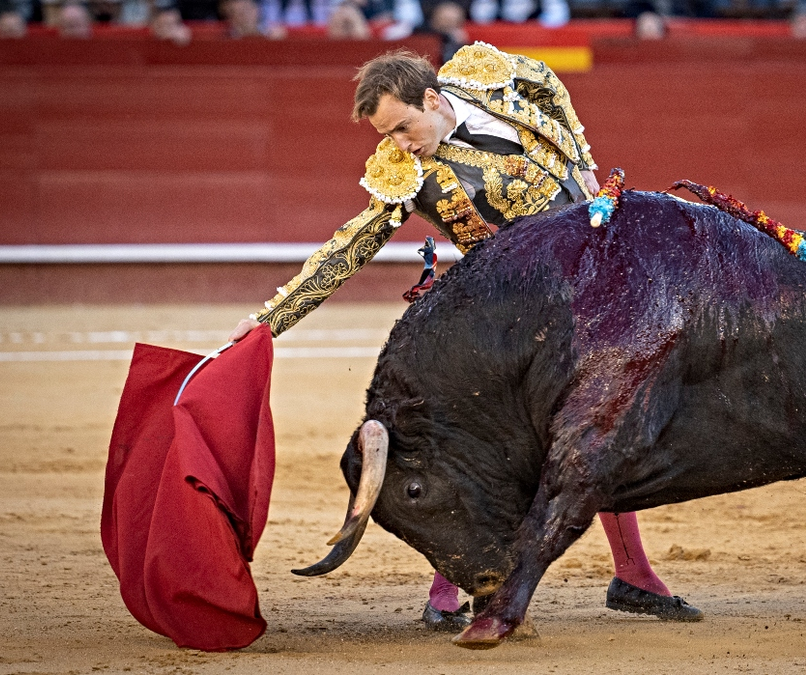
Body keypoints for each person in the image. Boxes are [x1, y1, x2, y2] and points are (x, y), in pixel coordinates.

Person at [227, 44, 703, 631]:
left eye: (403, 126)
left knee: (609, 423)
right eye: (386, 134)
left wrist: (583, 166)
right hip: (513, 319)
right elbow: (349, 247)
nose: (399, 144)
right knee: (516, 445)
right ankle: (451, 592)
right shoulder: (406, 173)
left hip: (595, 292)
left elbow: (551, 85)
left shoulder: (491, 78)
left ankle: (632, 578)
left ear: (432, 98)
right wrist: (272, 318)